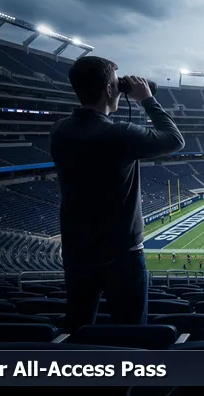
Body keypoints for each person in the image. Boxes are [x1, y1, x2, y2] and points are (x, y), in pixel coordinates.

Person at [50, 56, 184, 334]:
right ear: (110, 90)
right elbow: (174, 139)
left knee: (77, 327)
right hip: (122, 253)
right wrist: (146, 99)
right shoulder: (118, 134)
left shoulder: (59, 131)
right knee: (131, 332)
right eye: (115, 84)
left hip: (77, 252)